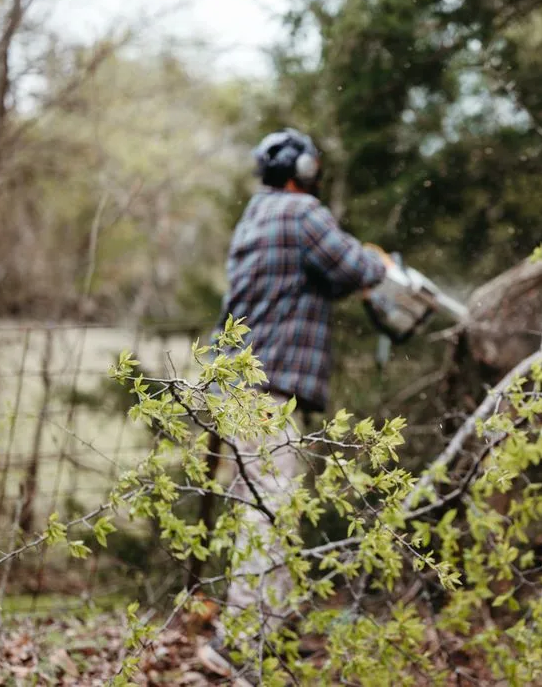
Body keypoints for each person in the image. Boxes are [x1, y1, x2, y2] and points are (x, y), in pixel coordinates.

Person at [198, 128, 390, 683]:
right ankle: (237, 647)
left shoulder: (259, 214)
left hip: (242, 384)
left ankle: (270, 635)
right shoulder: (303, 213)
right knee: (270, 512)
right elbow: (355, 268)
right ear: (303, 170)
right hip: (262, 389)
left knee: (268, 509)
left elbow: (313, 281)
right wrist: (380, 262)